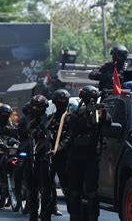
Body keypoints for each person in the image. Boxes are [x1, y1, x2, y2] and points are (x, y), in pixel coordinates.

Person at [66, 85, 111, 221]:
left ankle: (92, 217)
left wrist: (101, 114)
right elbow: (70, 126)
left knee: (91, 192)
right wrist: (83, 112)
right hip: (75, 157)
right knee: (74, 191)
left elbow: (108, 122)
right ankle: (75, 216)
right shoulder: (75, 112)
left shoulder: (100, 112)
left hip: (91, 156)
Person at [22, 95, 52, 221]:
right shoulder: (27, 121)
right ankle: (32, 215)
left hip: (44, 158)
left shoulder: (50, 119)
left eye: (40, 107)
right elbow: (21, 136)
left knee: (46, 189)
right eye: (35, 107)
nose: (37, 109)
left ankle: (46, 215)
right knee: (31, 189)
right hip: (29, 158)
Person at [48, 89, 72, 217]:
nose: (62, 103)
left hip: (64, 156)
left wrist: (58, 148)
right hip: (49, 155)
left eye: (64, 101)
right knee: (48, 183)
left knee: (65, 184)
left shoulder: (70, 117)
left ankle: (72, 211)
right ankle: (52, 206)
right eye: (59, 101)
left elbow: (69, 136)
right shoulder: (51, 118)